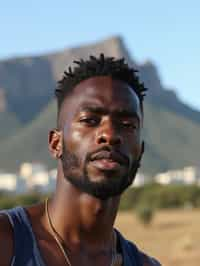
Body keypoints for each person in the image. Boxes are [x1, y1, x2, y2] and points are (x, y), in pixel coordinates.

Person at [0, 54, 161, 266]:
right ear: (56, 144)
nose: (110, 134)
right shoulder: (7, 242)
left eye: (127, 124)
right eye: (89, 120)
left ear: (140, 151)